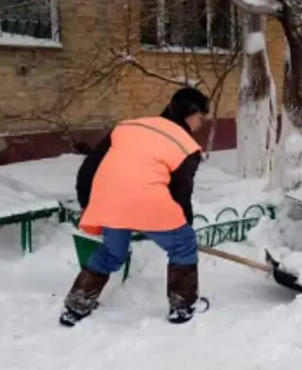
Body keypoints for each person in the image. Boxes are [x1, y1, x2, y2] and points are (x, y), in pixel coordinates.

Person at [59, 86, 210, 327]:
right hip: (147, 201)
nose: (200, 125)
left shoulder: (128, 127)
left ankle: (76, 305)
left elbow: (90, 166)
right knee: (183, 245)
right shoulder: (186, 145)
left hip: (110, 200)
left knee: (112, 253)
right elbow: (181, 193)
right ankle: (182, 307)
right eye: (200, 118)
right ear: (189, 113)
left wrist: (89, 203)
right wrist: (184, 229)